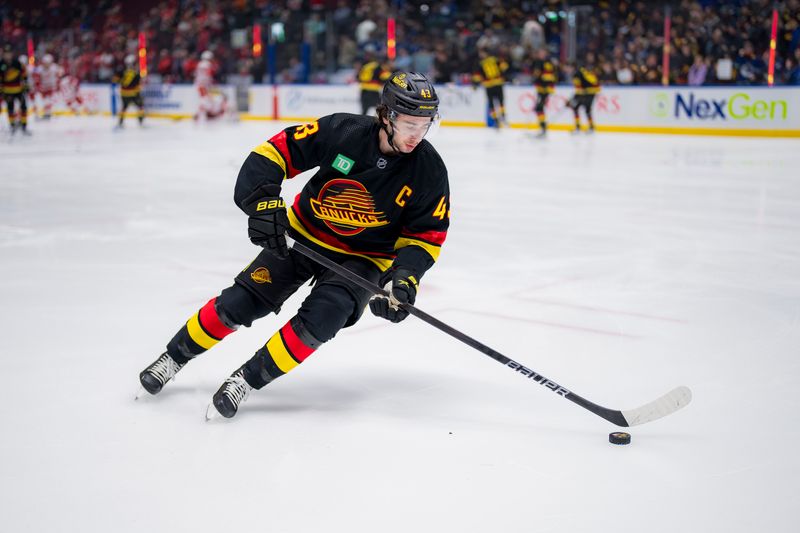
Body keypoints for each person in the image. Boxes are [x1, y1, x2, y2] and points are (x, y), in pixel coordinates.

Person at [138, 71, 450, 419]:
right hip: (301, 236)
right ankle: (174, 357)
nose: (417, 135)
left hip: (365, 258)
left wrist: (404, 276)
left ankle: (247, 379)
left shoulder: (429, 169)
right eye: (410, 124)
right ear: (385, 116)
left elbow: (426, 234)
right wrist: (263, 204)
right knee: (240, 302)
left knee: (325, 316)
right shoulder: (342, 130)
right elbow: (272, 155)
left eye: (425, 126)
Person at [472, 48, 508, 128]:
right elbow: (504, 67)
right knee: (500, 102)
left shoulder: (480, 63)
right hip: (498, 83)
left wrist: (475, 84)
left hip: (489, 85)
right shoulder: (495, 59)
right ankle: (502, 117)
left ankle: (497, 121)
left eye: (481, 53)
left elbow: (477, 75)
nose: (480, 55)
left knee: (492, 104)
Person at [1, 45, 31, 135]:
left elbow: (24, 74)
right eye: (6, 54)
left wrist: (26, 85)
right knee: (10, 108)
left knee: (23, 107)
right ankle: (12, 125)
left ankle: (24, 126)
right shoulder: (1, 64)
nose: (8, 56)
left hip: (19, 89)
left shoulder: (17, 63)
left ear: (12, 54)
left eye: (9, 53)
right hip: (7, 91)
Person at [113, 55, 145, 128]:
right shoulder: (136, 73)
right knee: (140, 107)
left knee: (123, 108)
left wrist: (121, 82)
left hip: (124, 94)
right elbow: (139, 84)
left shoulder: (121, 71)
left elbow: (115, 80)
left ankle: (120, 122)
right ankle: (141, 122)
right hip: (134, 94)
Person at [531, 48, 556, 137]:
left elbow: (537, 74)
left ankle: (543, 127)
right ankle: (543, 127)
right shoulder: (549, 62)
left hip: (543, 89)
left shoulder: (539, 62)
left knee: (539, 108)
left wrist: (535, 80)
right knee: (539, 108)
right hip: (544, 89)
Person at [569, 64, 600, 133]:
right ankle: (589, 127)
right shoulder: (583, 71)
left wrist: (573, 99)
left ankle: (579, 127)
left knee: (581, 108)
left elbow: (578, 89)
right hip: (592, 92)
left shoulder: (576, 74)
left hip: (588, 93)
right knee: (583, 109)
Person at [32, 53, 63, 119]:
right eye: (45, 63)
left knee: (49, 101)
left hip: (51, 88)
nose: (46, 64)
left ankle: (48, 113)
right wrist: (38, 87)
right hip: (43, 88)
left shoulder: (54, 68)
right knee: (43, 101)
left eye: (48, 63)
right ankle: (42, 114)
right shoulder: (39, 69)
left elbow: (60, 75)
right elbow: (36, 78)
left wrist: (58, 84)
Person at [194, 50, 217, 121]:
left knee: (206, 99)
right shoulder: (208, 64)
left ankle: (208, 113)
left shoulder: (199, 64)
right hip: (204, 84)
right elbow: (209, 73)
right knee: (205, 99)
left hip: (199, 83)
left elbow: (196, 74)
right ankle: (199, 114)